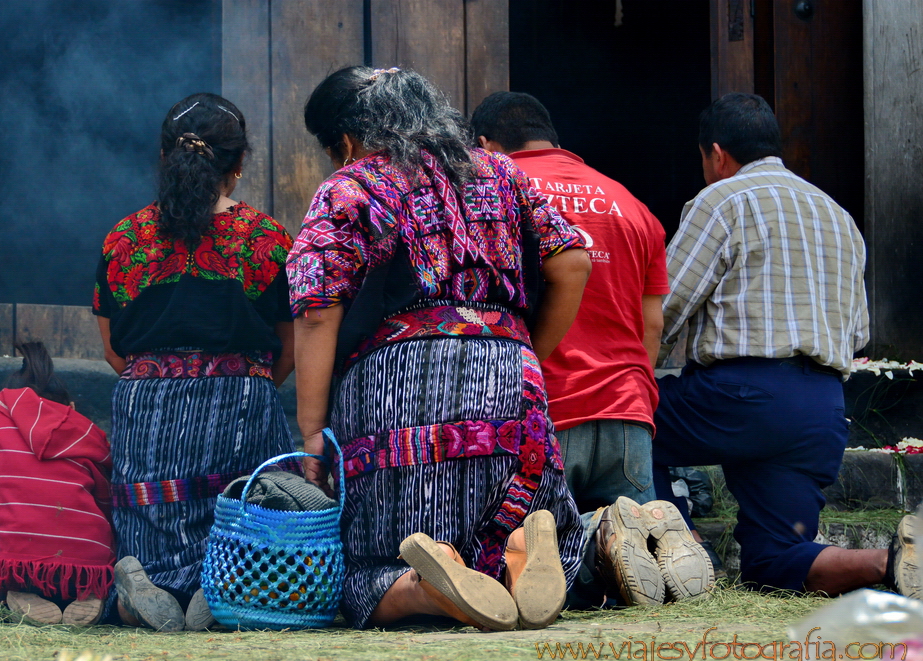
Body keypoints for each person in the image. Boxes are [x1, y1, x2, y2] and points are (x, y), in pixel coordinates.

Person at [288, 67, 712, 630]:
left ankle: (421, 584)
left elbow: (317, 311)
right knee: (515, 504)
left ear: (344, 140)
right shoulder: (499, 171)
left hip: (402, 381)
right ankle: (524, 556)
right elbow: (573, 261)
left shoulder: (354, 185)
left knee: (368, 567)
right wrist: (525, 350)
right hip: (507, 368)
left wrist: (312, 429)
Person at [653, 92, 919, 598]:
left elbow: (667, 303)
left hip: (738, 397)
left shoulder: (721, 199)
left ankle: (682, 553)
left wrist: (642, 370)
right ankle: (891, 563)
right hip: (819, 410)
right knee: (774, 561)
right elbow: (858, 334)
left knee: (628, 426)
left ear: (716, 153)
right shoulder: (839, 216)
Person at [93, 93, 295, 632]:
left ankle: (147, 585)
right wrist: (248, 381)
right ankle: (224, 585)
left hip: (148, 407)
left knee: (151, 513)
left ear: (163, 157)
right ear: (239, 166)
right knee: (244, 504)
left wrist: (158, 379)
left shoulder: (123, 239)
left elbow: (113, 346)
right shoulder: (268, 240)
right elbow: (288, 345)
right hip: (241, 403)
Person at [471, 92, 667, 517]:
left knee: (532, 565)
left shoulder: (494, 195)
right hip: (628, 414)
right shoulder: (632, 205)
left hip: (542, 414)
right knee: (632, 568)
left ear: (485, 145)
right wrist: (634, 399)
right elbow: (652, 325)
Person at [0, 342, 114, 626]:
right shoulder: (85, 433)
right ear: (71, 408)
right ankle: (89, 590)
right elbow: (106, 498)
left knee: (16, 542)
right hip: (89, 556)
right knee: (98, 538)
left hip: (21, 555)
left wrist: (7, 547)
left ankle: (21, 588)